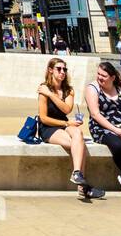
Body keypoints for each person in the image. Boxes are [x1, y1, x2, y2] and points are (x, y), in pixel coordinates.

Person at [37, 57, 91, 197]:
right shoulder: (44, 89)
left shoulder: (68, 90)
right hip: (48, 127)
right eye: (59, 69)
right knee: (79, 145)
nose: (62, 72)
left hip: (64, 123)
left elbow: (66, 109)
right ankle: (83, 187)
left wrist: (51, 95)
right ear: (50, 70)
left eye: (64, 69)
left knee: (77, 134)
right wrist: (67, 123)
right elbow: (43, 118)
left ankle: (77, 173)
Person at [85, 59, 121, 198]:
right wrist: (116, 131)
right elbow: (95, 114)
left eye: (104, 76)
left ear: (112, 77)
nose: (99, 77)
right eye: (98, 74)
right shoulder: (92, 88)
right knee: (118, 145)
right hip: (102, 128)